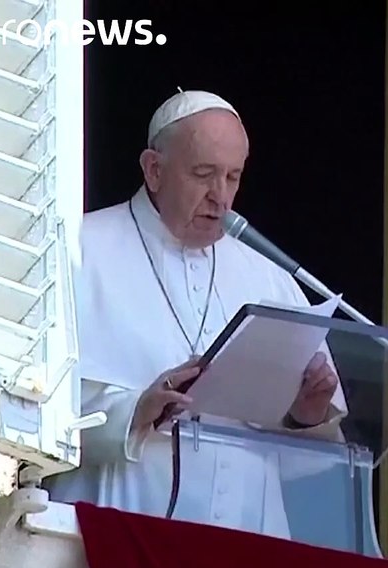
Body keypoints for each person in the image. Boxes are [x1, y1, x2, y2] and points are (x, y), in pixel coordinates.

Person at [45, 90, 347, 539]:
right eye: (203, 174)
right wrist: (134, 411)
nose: (220, 197)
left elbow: (314, 465)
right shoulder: (78, 252)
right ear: (153, 170)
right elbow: (32, 410)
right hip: (120, 538)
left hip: (246, 546)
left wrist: (305, 416)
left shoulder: (268, 276)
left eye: (233, 176)